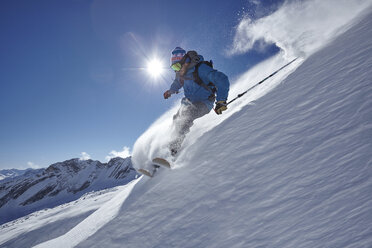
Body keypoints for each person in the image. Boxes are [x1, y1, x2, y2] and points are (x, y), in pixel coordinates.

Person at [163, 47, 230, 156]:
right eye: (174, 67)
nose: (176, 70)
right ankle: (170, 145)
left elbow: (222, 79)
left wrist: (221, 100)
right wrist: (170, 91)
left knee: (187, 116)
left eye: (177, 66)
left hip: (204, 103)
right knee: (176, 119)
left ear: (185, 61)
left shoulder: (201, 68)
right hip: (189, 103)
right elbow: (177, 83)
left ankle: (173, 151)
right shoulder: (181, 73)